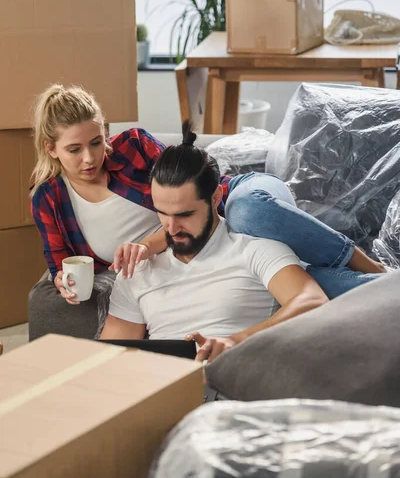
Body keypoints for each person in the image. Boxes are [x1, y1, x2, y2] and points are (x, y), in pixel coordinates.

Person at [29, 84, 383, 340]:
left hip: (239, 195)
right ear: (52, 148)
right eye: (74, 149)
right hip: (187, 244)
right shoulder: (49, 200)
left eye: (96, 143)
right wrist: (64, 281)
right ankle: (385, 285)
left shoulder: (132, 148)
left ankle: (365, 263)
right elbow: (64, 266)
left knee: (247, 215)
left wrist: (151, 245)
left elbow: (186, 176)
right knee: (301, 278)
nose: (90, 158)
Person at [100, 123, 385, 363]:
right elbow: (106, 359)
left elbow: (311, 301)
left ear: (215, 199)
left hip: (237, 390)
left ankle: (378, 274)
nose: (171, 228)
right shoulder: (136, 271)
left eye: (185, 215)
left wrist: (235, 341)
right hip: (164, 397)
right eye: (162, 214)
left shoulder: (254, 246)